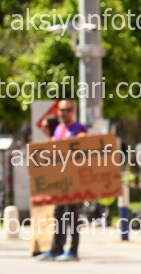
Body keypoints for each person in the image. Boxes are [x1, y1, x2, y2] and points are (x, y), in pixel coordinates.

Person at [36, 100, 87, 262]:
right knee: (58, 214)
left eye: (67, 110)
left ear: (73, 111)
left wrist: (80, 139)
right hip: (60, 179)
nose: (63, 113)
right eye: (61, 110)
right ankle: (56, 248)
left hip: (74, 179)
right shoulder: (59, 129)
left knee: (72, 215)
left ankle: (73, 250)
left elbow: (86, 146)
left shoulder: (79, 129)